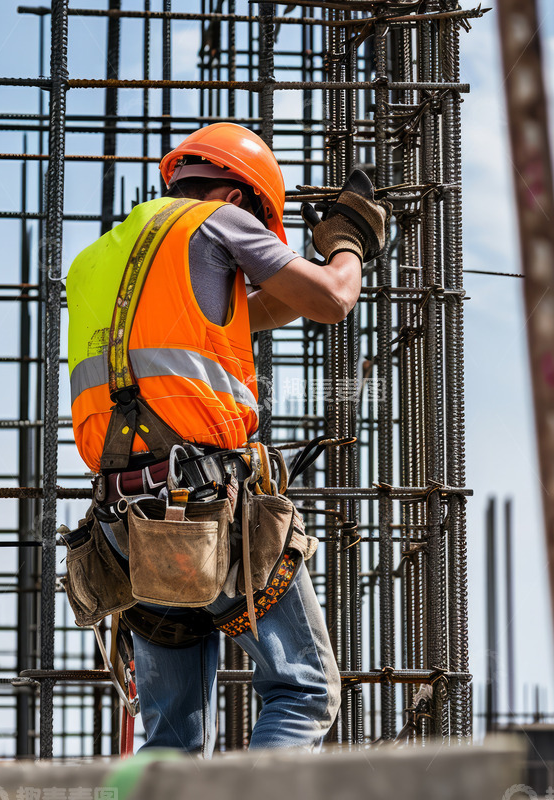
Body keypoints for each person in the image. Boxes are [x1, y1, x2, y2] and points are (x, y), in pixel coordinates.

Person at [65, 123, 390, 755]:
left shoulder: (96, 259)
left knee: (172, 736)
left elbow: (249, 314)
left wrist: (296, 278)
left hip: (124, 526)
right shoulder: (220, 220)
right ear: (240, 200)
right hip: (206, 510)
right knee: (304, 690)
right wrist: (347, 245)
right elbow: (332, 300)